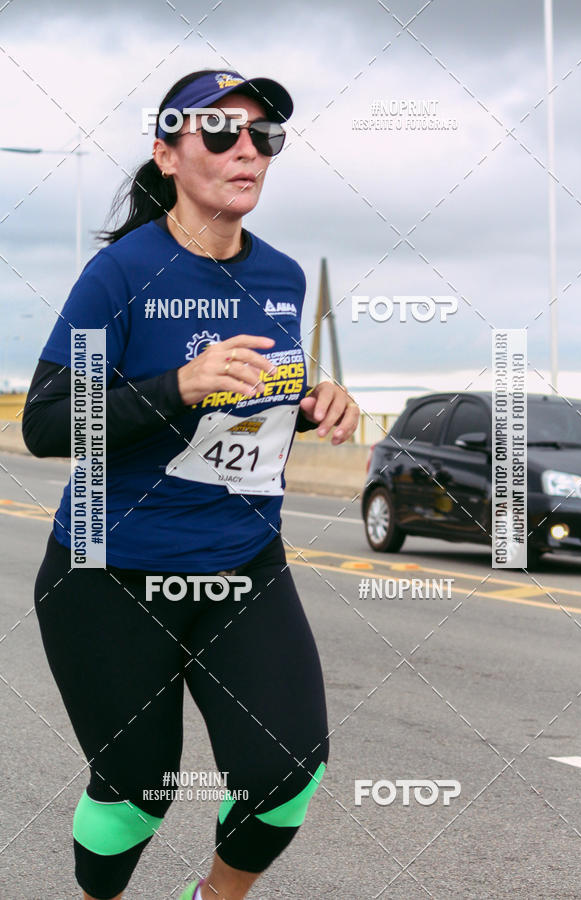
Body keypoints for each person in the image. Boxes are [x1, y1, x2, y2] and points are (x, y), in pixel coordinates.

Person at [23, 69, 360, 900]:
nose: (247, 150)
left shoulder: (281, 277)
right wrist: (179, 384)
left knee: (286, 770)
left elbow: (251, 407)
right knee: (139, 791)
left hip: (242, 562)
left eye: (264, 136)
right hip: (109, 572)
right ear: (167, 153)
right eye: (220, 132)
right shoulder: (122, 274)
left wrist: (314, 403)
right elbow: (47, 423)